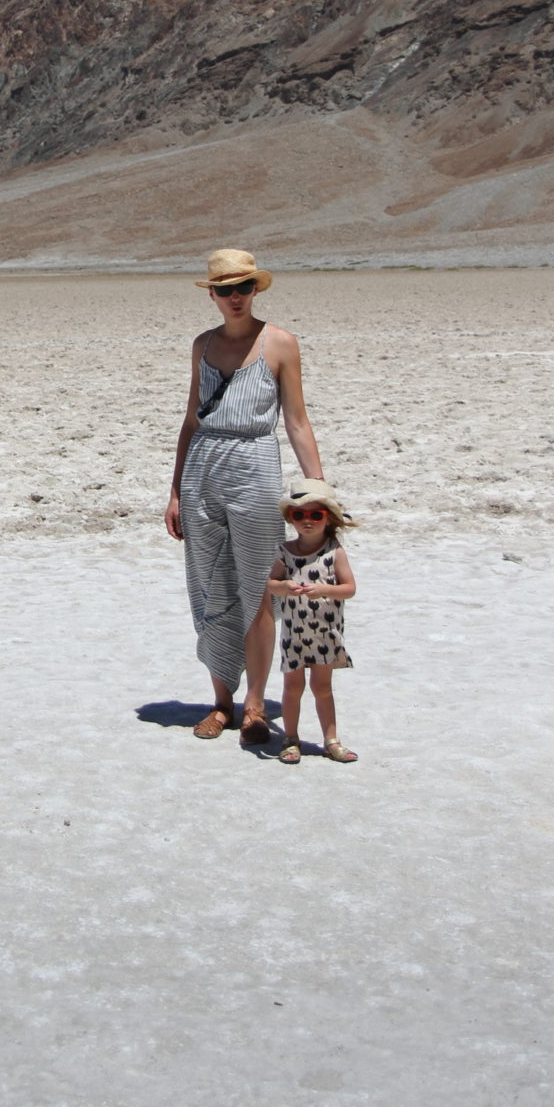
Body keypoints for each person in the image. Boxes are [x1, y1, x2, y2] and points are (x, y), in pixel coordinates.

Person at [165, 249, 324, 744]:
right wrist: (174, 491)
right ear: (211, 294)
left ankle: (256, 704)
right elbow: (191, 420)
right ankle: (221, 702)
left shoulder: (281, 344)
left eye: (244, 288)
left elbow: (296, 421)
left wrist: (317, 489)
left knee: (258, 589)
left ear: (256, 289)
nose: (235, 298)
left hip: (255, 466)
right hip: (202, 473)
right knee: (209, 587)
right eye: (225, 290)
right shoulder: (202, 345)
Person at [269, 477, 358, 764]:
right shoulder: (285, 551)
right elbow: (271, 583)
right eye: (299, 515)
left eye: (315, 515)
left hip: (325, 632)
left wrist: (324, 590)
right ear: (291, 519)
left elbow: (349, 589)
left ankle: (331, 740)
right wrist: (283, 587)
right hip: (294, 632)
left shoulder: (334, 552)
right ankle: (290, 738)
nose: (307, 521)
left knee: (322, 687)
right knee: (292, 688)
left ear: (328, 519)